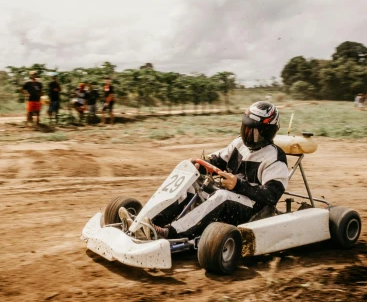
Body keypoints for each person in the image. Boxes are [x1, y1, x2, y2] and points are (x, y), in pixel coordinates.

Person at [121, 101, 289, 239]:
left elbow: (271, 195)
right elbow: (218, 159)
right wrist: (200, 165)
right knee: (191, 184)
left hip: (252, 208)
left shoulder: (274, 157)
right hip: (231, 193)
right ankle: (147, 223)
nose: (247, 135)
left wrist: (238, 185)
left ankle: (168, 233)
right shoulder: (239, 143)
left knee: (222, 197)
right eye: (245, 129)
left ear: (267, 132)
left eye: (253, 132)